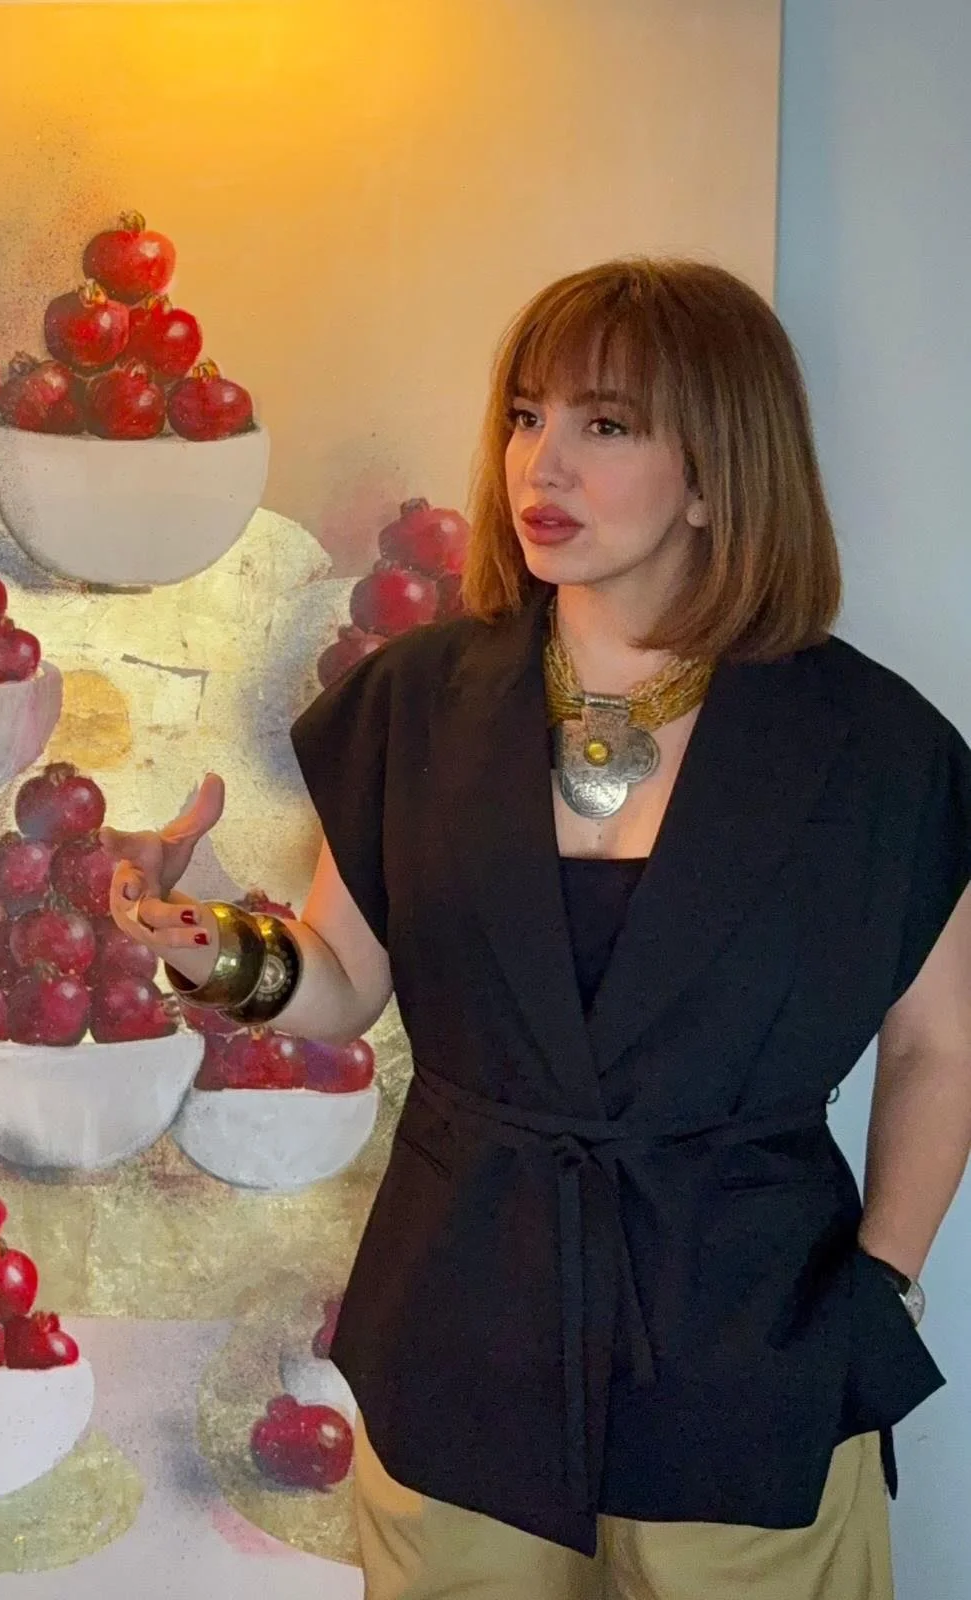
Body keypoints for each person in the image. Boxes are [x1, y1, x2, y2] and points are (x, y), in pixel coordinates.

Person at [102, 258, 971, 1599]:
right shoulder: (415, 700)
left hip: (752, 1345)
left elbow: (939, 1046)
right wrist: (206, 944)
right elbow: (337, 981)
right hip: (461, 1330)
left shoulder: (876, 750)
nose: (540, 463)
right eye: (523, 416)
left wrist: (881, 1292)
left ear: (713, 470)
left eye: (602, 425)